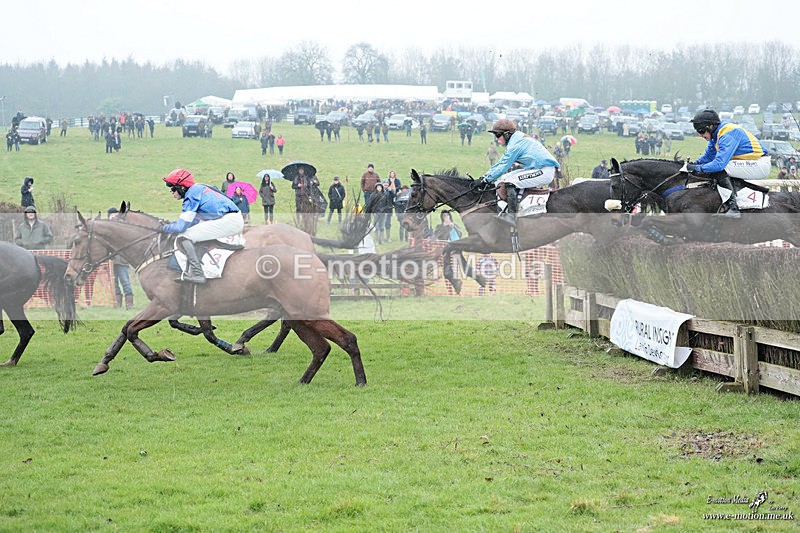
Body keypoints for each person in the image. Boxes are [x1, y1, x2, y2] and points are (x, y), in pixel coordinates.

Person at [160, 169, 244, 284]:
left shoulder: (191, 195)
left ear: (182, 187)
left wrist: (164, 228)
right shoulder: (198, 188)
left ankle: (198, 274)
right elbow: (193, 221)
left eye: (172, 187)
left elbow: (181, 227)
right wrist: (172, 225)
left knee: (184, 236)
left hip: (230, 220)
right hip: (232, 218)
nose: (171, 191)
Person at [686, 109, 771, 219]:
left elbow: (719, 164)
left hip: (760, 164)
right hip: (750, 162)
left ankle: (733, 208)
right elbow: (708, 156)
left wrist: (697, 168)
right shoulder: (716, 135)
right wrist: (694, 164)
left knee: (720, 169)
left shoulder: (727, 133)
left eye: (701, 131)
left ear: (711, 127)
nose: (700, 135)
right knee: (715, 169)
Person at [481, 119, 560, 226]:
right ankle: (504, 207)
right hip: (536, 168)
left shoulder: (516, 144)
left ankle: (512, 217)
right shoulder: (516, 138)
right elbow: (500, 163)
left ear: (507, 134)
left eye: (498, 135)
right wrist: (485, 177)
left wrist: (485, 180)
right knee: (504, 178)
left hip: (545, 171)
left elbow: (503, 165)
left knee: (511, 182)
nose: (497, 139)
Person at [106, 207, 134, 309]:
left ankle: (129, 304)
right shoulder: (106, 229)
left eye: (115, 215)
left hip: (122, 260)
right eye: (112, 216)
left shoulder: (122, 228)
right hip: (110, 261)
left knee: (125, 281)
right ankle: (117, 303)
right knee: (114, 284)